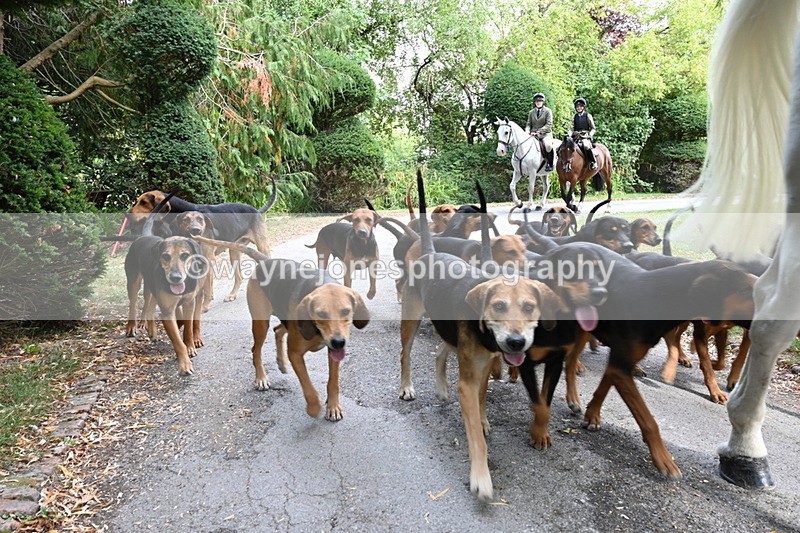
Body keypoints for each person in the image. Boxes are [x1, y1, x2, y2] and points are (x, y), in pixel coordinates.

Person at [525, 92, 555, 172]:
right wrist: (527, 131)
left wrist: (539, 131)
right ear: (535, 102)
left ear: (543, 102)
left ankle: (550, 163)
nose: (538, 102)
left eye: (540, 101)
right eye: (537, 101)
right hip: (533, 134)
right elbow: (528, 124)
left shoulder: (548, 111)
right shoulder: (531, 112)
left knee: (548, 145)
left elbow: (549, 124)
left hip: (545, 134)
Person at [568, 97, 598, 170]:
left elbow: (593, 128)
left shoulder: (588, 115)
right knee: (567, 147)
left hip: (585, 136)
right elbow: (571, 128)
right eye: (577, 107)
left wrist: (590, 135)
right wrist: (569, 135)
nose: (579, 108)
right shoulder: (574, 117)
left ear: (583, 107)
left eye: (580, 106)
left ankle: (593, 162)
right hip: (575, 136)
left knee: (586, 146)